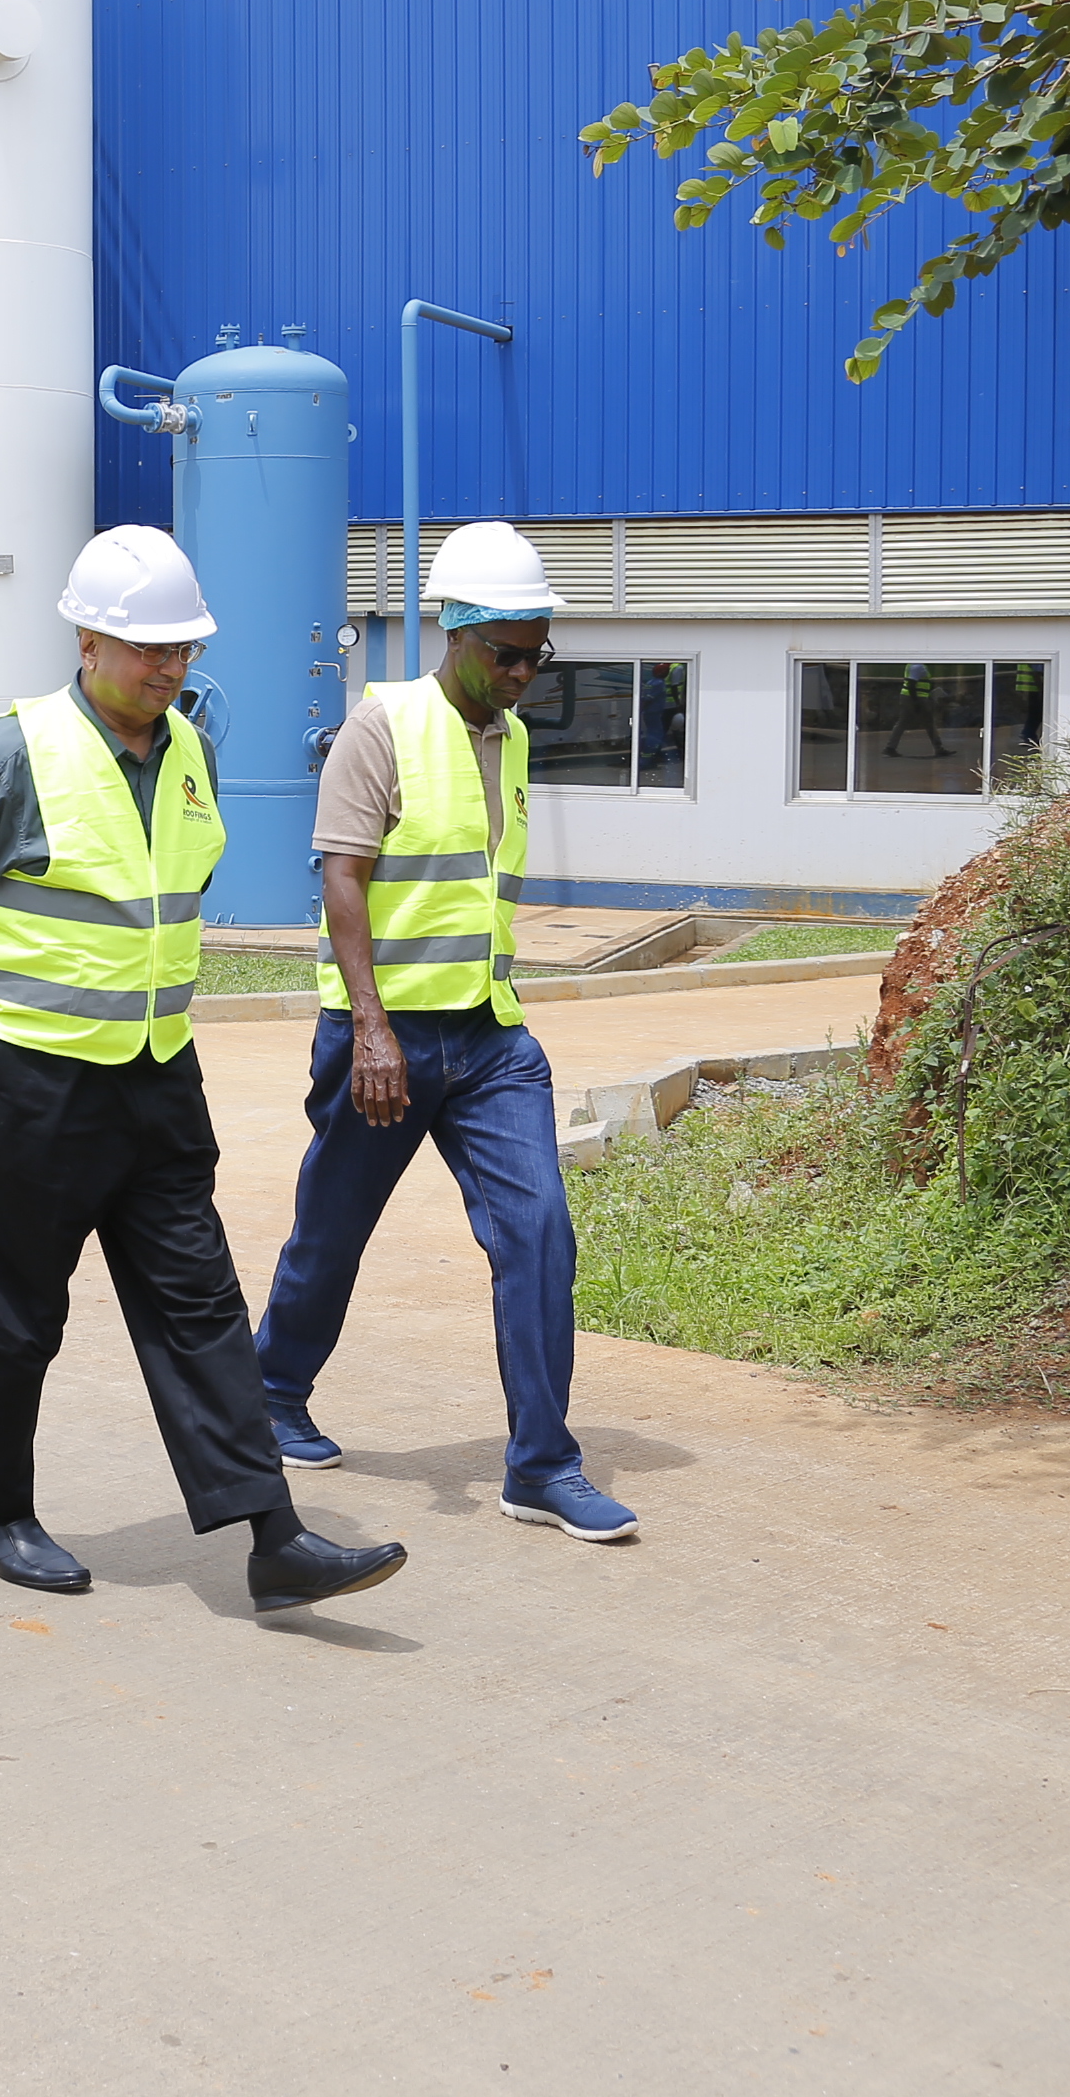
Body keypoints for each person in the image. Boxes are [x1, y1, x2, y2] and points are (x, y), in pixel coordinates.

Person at [0, 529, 411, 1616]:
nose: (169, 667)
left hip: (155, 1078)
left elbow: (164, 902)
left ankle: (273, 1536)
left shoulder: (193, 752)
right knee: (21, 1307)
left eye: (181, 647)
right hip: (24, 1083)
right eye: (147, 648)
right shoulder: (8, 756)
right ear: (88, 640)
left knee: (201, 1300)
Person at [255, 520, 639, 1543]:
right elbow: (343, 876)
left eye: (535, 654)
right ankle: (271, 1392)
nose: (522, 672)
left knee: (540, 1232)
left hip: (489, 1041)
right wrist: (373, 1028)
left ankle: (543, 1465)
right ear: (454, 632)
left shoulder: (510, 739)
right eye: (504, 653)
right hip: (383, 1039)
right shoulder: (380, 727)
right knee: (331, 1235)